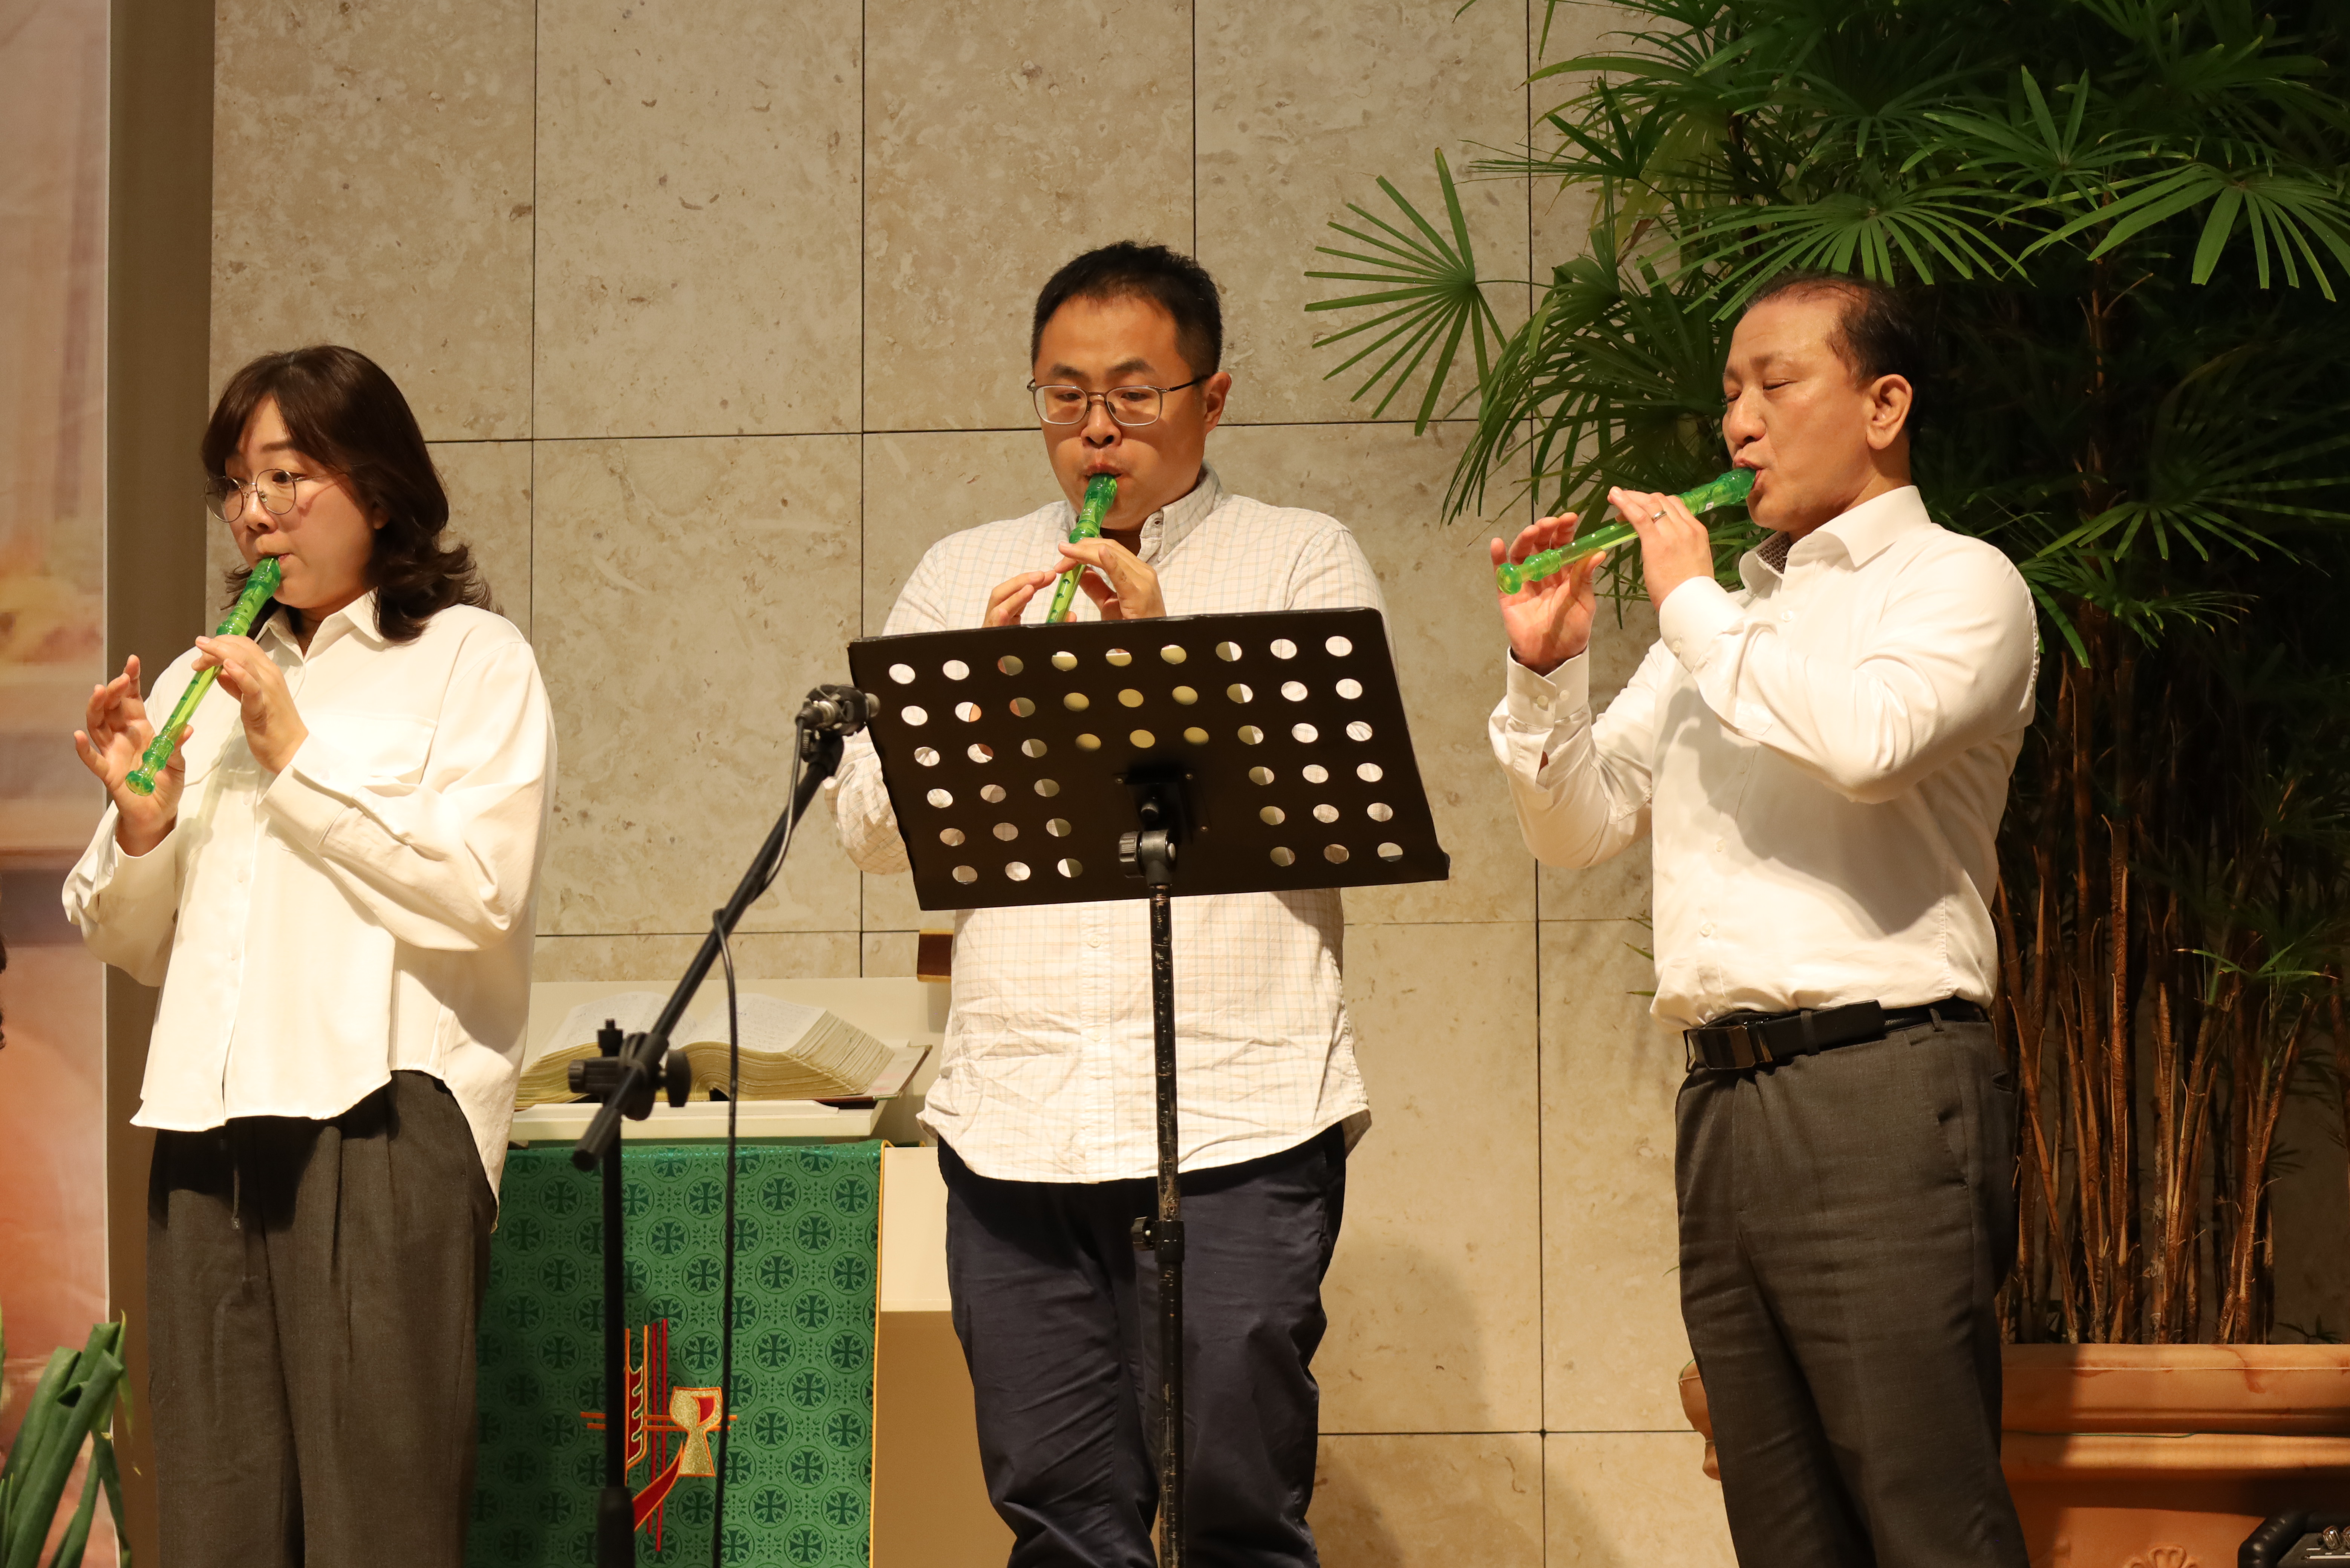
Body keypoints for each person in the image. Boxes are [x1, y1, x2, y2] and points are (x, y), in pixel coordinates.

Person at [831, 241, 1381, 1567]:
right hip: (1018, 1119)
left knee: (1240, 1519)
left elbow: (1335, 808)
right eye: (1065, 396)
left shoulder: (1300, 558)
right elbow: (869, 834)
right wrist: (979, 694)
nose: (1095, 430)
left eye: (1133, 396)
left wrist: (1160, 655)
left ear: (1212, 398)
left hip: (1240, 1112)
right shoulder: (963, 569)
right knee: (1061, 1527)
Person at [1488, 273, 2036, 1567]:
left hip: (1885, 1085)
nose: (1739, 422)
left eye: (1777, 385)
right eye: (1731, 392)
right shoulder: (1725, 623)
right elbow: (1577, 828)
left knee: (1929, 1518)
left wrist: (1688, 603)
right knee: (1782, 1531)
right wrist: (1546, 671)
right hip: (1722, 1104)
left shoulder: (1960, 582)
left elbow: (1866, 743)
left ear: (1884, 406)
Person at [64, 345, 555, 1567]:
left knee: (380, 1525)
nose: (255, 510)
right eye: (238, 483)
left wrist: (296, 753)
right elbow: (126, 939)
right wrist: (143, 825)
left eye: (287, 475)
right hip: (207, 1124)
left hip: (381, 1116)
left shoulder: (471, 659)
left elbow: (479, 892)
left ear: (378, 489)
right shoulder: (206, 679)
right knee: (216, 1521)